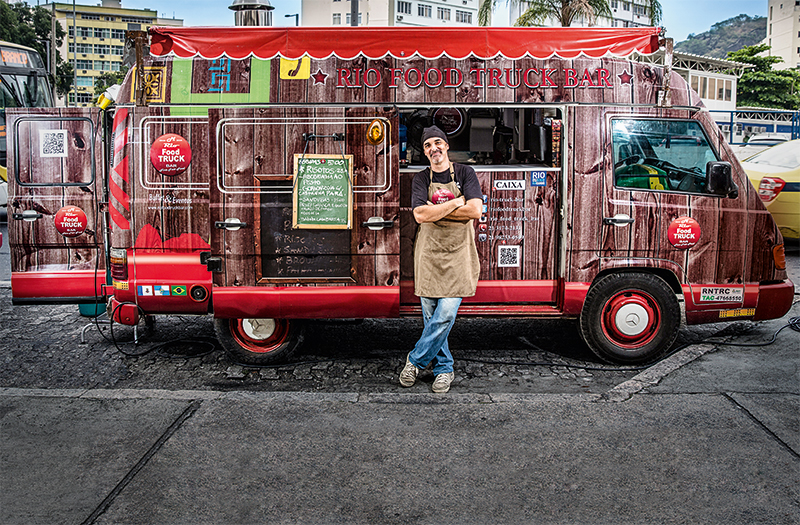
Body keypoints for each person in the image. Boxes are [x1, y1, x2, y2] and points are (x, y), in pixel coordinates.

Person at [400, 125, 482, 393]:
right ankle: (444, 369)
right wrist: (456, 203)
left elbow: (475, 211)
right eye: (427, 146)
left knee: (445, 314)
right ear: (424, 152)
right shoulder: (421, 179)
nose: (433, 148)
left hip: (458, 253)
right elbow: (420, 216)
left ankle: (414, 361)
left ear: (446, 146)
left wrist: (438, 210)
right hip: (430, 254)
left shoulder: (466, 173)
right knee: (431, 316)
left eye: (438, 143)